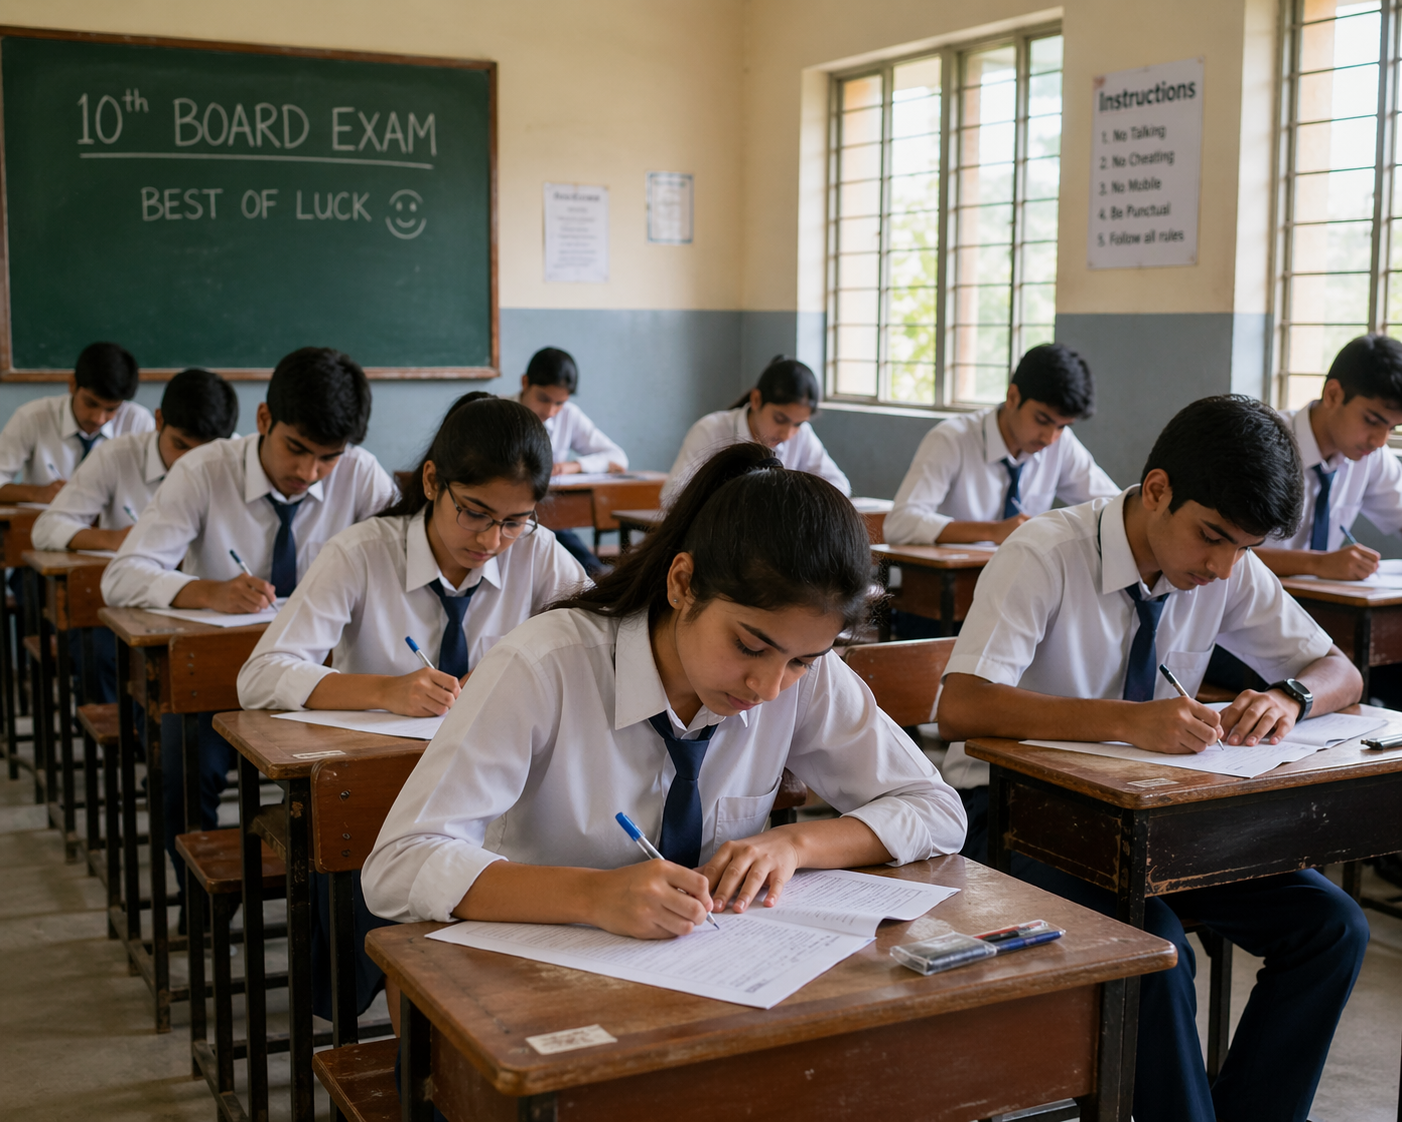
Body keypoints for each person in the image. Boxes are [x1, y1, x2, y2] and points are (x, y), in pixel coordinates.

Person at [363, 441, 965, 1003]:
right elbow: (400, 863)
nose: (769, 686)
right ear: (682, 583)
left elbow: (936, 808)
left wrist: (796, 843)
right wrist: (593, 895)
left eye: (802, 661)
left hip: (707, 981)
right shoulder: (545, 666)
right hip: (529, 984)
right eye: (749, 646)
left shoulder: (801, 673)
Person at [935, 394, 1368, 1122]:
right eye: (1214, 537)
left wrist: (1291, 695)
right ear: (1159, 490)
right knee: (1155, 951)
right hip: (1012, 819)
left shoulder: (1224, 567)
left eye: (1247, 549)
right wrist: (1127, 723)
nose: (1226, 568)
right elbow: (963, 706)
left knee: (1332, 927)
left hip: (1152, 826)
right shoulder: (1044, 553)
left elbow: (1341, 671)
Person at [239, 391, 587, 1021]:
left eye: (514, 521)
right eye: (475, 513)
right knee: (370, 884)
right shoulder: (361, 551)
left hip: (491, 800)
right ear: (433, 481)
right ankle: (357, 1020)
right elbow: (262, 674)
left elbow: (602, 644)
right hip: (375, 789)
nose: (492, 540)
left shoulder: (536, 553)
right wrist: (385, 690)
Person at [100, 347, 396, 916]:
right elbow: (122, 575)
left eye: (327, 458)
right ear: (264, 420)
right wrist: (206, 591)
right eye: (297, 449)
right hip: (216, 687)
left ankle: (335, 932)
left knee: (364, 789)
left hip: (323, 688)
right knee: (183, 766)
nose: (309, 472)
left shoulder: (360, 474)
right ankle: (204, 903)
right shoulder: (204, 470)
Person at [31, 367, 238, 703]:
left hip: (206, 610)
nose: (189, 463)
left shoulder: (235, 463)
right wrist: (112, 540)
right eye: (180, 445)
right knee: (100, 652)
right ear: (158, 420)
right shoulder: (116, 455)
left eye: (202, 451)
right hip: (132, 602)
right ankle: (119, 738)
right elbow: (47, 527)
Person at [885, 342, 1116, 548]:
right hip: (956, 583)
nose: (1049, 438)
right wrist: (993, 531)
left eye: (1062, 426)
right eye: (1042, 420)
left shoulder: (1060, 445)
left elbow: (1112, 507)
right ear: (1013, 396)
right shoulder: (952, 439)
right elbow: (900, 523)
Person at [1254, 333, 1402, 581]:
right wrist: (1316, 564)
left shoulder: (1370, 455)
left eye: (1392, 428)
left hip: (1319, 608)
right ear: (1333, 394)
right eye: (1371, 421)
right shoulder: (1261, 444)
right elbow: (1223, 551)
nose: (1379, 440)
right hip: (1241, 607)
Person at [660, 356, 850, 505]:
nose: (787, 434)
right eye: (780, 419)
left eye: (798, 424)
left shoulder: (803, 435)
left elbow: (838, 485)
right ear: (757, 400)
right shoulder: (711, 430)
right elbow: (673, 496)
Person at [515, 346, 629, 576]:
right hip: (515, 514)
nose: (550, 410)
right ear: (525, 382)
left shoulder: (569, 415)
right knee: (549, 532)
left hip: (549, 514)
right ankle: (594, 573)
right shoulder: (500, 412)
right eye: (543, 399)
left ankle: (594, 575)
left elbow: (618, 458)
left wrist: (574, 466)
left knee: (555, 531)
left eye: (559, 403)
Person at [0, 341, 153, 506]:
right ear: (72, 384)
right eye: (90, 404)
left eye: (111, 409)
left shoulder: (138, 422)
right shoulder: (32, 417)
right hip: (41, 525)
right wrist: (37, 492)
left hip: (109, 530)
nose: (98, 419)